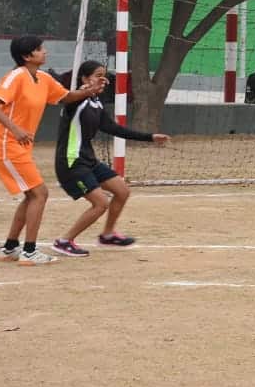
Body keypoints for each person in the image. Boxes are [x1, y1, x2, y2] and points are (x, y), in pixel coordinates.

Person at [0, 36, 106, 265]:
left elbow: (67, 97)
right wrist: (16, 129)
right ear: (27, 56)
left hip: (18, 147)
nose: (45, 52)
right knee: (40, 194)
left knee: (32, 195)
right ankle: (29, 252)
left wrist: (90, 90)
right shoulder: (17, 76)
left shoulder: (42, 78)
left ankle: (10, 247)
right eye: (40, 49)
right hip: (5, 144)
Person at [50, 61, 170, 257]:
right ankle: (64, 241)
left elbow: (114, 129)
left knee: (122, 191)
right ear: (85, 79)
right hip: (71, 162)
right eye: (98, 75)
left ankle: (107, 235)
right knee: (100, 204)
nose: (103, 80)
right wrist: (86, 91)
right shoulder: (75, 101)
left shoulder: (96, 103)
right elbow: (66, 99)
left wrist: (149, 137)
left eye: (104, 75)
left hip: (88, 160)